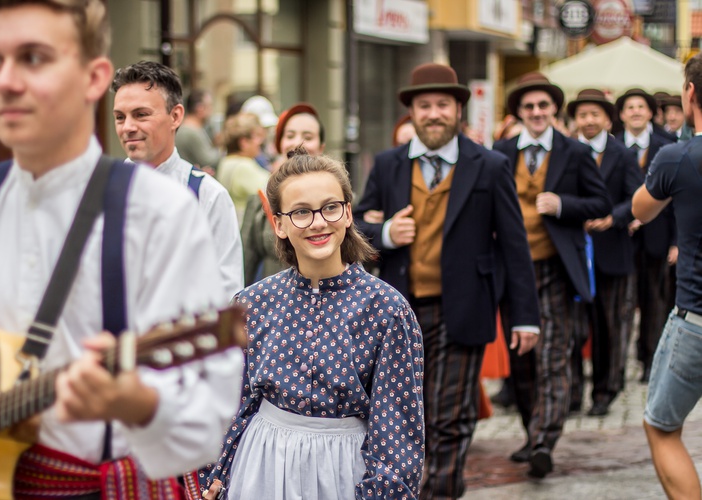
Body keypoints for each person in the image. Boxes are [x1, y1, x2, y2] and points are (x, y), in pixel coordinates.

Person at [0, 1, 243, 498]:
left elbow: (205, 414)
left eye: (34, 58)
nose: (6, 80)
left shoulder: (164, 211)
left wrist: (139, 403)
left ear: (92, 77)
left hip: (99, 485)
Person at [355, 62, 540, 499]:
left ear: (459, 110)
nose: (433, 113)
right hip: (399, 311)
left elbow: (515, 245)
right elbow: (355, 224)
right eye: (425, 106)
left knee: (450, 412)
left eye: (443, 105)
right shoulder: (388, 165)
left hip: (465, 305)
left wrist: (525, 318)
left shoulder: (489, 166)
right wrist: (384, 233)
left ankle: (441, 490)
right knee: (403, 408)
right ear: (413, 113)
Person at [196, 147, 425, 499]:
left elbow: (396, 426)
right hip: (261, 465)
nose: (318, 222)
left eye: (330, 207)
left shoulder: (387, 309)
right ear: (279, 223)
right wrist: (214, 470)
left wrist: (384, 492)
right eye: (301, 212)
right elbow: (229, 400)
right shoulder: (251, 303)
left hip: (344, 469)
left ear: (348, 213)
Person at [493, 72, 611, 478]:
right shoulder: (501, 151)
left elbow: (600, 202)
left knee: (554, 357)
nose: (537, 112)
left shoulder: (575, 152)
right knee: (521, 359)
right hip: (513, 271)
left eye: (544, 105)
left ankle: (546, 440)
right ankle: (531, 433)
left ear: (554, 109)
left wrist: (563, 205)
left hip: (557, 270)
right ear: (519, 113)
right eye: (529, 107)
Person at [111, 60, 244, 302]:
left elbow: (227, 296)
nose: (128, 127)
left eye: (141, 115)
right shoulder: (102, 193)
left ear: (175, 116)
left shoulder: (209, 196)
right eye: (120, 117)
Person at [634, 52, 702, 500]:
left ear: (690, 93)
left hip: (695, 320)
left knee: (661, 426)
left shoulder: (678, 156)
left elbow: (642, 208)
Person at [567, 88, 644, 417]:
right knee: (573, 329)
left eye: (594, 114)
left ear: (607, 119)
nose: (588, 121)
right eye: (582, 115)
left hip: (612, 252)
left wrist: (613, 217)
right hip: (574, 254)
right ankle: (571, 393)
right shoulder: (567, 152)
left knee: (609, 327)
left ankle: (605, 391)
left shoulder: (622, 154)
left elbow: (637, 196)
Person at [615, 88, 675, 383]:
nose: (636, 111)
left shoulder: (668, 145)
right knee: (622, 303)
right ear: (622, 114)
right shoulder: (613, 147)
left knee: (654, 300)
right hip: (620, 238)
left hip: (656, 237)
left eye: (641, 106)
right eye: (630, 107)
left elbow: (678, 198)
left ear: (651, 113)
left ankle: (651, 359)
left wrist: (676, 241)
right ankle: (619, 365)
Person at [240, 102, 325, 286]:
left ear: (321, 146)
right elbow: (244, 268)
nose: (298, 142)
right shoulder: (260, 201)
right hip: (272, 307)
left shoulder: (338, 202)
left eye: (308, 136)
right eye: (290, 135)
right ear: (279, 144)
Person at [217, 112, 269, 225]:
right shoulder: (243, 166)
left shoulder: (226, 161)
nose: (259, 142)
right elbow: (272, 191)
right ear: (244, 142)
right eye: (256, 137)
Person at [176, 89, 221, 173]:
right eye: (209, 106)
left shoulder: (192, 128)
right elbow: (209, 160)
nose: (211, 110)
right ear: (200, 108)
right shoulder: (191, 131)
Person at [240, 95, 279, 169]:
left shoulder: (266, 145)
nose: (264, 132)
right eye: (262, 127)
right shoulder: (243, 152)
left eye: (267, 128)